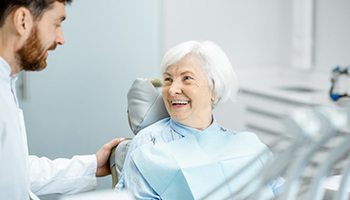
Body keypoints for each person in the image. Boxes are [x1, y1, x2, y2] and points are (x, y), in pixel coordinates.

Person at [116, 40, 283, 199]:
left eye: (186, 78)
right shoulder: (147, 146)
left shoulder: (250, 147)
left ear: (214, 90)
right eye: (168, 80)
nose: (173, 90)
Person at [0, 1, 124, 199]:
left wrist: (93, 165)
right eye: (56, 24)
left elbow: (14, 171)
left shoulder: (6, 83)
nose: (61, 39)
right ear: (23, 21)